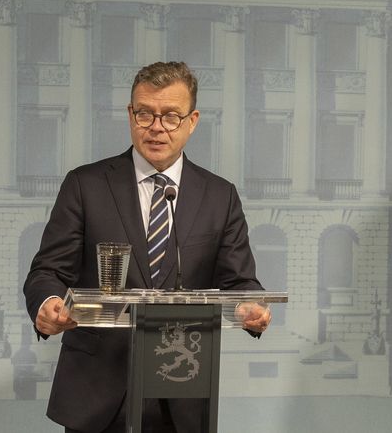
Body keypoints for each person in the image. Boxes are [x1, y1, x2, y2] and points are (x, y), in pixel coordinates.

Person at [24, 61, 270, 433]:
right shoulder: (86, 185)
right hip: (98, 392)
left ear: (193, 120)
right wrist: (47, 305)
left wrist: (251, 307)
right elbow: (48, 272)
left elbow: (240, 282)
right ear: (130, 115)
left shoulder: (220, 196)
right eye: (145, 114)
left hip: (183, 390)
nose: (156, 127)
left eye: (171, 116)